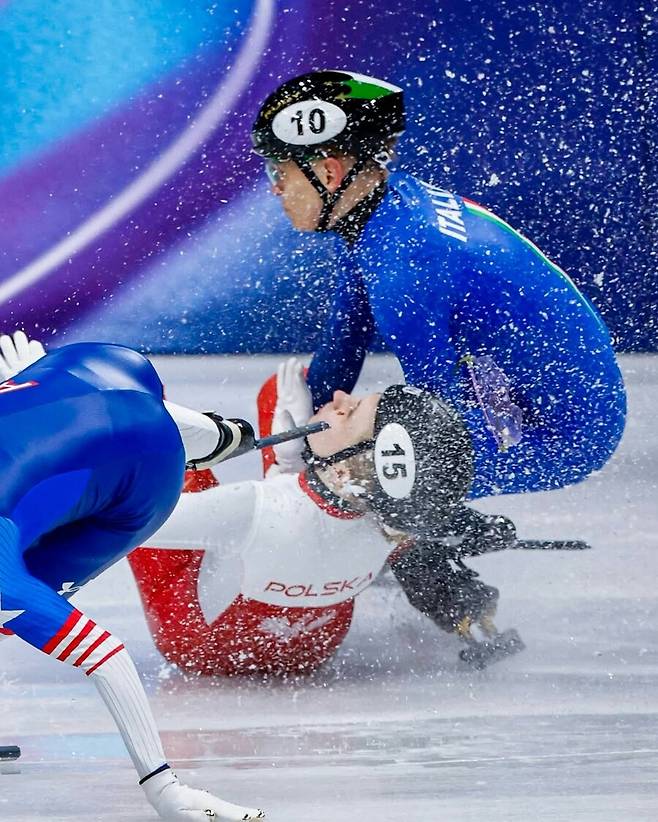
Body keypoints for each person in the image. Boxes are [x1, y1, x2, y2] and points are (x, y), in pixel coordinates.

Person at [250, 70, 627, 502]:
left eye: (279, 172)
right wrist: (297, 442)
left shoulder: (405, 264)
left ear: (330, 174)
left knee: (374, 460)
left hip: (560, 440)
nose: (276, 189)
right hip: (536, 400)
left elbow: (438, 432)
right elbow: (342, 349)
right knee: (290, 403)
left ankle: (398, 554)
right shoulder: (380, 214)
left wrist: (425, 513)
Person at [0, 332, 265, 821]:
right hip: (86, 365)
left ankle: (211, 438)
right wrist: (24, 385)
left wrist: (163, 786)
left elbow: (106, 656)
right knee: (144, 416)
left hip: (142, 481)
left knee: (13, 608)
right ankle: (218, 435)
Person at [131, 357, 520, 678]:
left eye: (348, 414)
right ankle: (458, 608)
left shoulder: (251, 507)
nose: (340, 397)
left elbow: (129, 521)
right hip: (313, 648)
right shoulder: (398, 523)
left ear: (345, 472)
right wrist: (287, 465)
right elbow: (305, 527)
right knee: (284, 392)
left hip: (202, 645)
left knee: (142, 424)